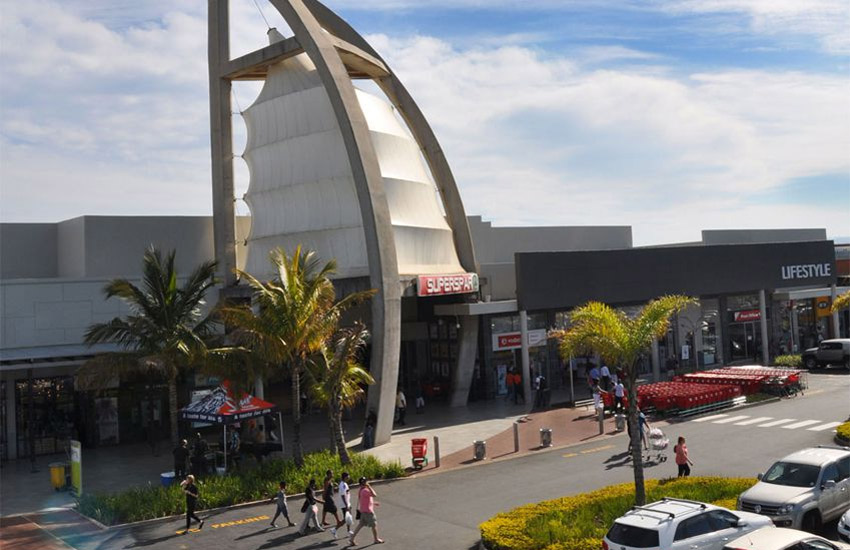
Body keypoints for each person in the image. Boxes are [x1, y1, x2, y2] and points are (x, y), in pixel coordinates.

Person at [349, 477, 383, 546]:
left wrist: (373, 503)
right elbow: (374, 495)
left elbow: (365, 500)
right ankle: (376, 539)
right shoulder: (365, 490)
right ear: (364, 483)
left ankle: (352, 538)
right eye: (366, 482)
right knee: (374, 525)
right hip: (368, 511)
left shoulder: (361, 490)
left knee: (360, 524)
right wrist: (369, 487)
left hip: (363, 511)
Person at [336, 472, 354, 537]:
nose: (349, 477)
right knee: (347, 518)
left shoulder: (345, 483)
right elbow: (343, 496)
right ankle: (335, 529)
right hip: (344, 504)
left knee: (348, 518)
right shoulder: (342, 485)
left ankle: (348, 530)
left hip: (347, 503)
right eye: (348, 476)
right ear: (345, 477)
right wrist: (346, 505)